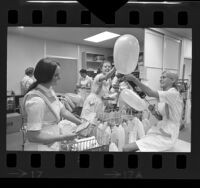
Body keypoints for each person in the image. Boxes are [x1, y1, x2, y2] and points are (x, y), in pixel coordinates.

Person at [22, 57, 82, 151]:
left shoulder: (49, 90)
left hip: (52, 140)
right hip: (40, 147)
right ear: (46, 76)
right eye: (56, 75)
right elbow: (33, 136)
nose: (60, 77)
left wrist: (81, 123)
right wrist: (64, 137)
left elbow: (63, 111)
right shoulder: (37, 101)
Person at [122, 71, 183, 152]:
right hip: (161, 130)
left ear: (173, 80)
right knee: (130, 147)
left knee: (125, 148)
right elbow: (162, 118)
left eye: (164, 77)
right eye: (160, 77)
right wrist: (154, 112)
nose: (161, 79)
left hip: (167, 135)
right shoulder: (165, 95)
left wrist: (134, 79)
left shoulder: (173, 94)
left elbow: (150, 93)